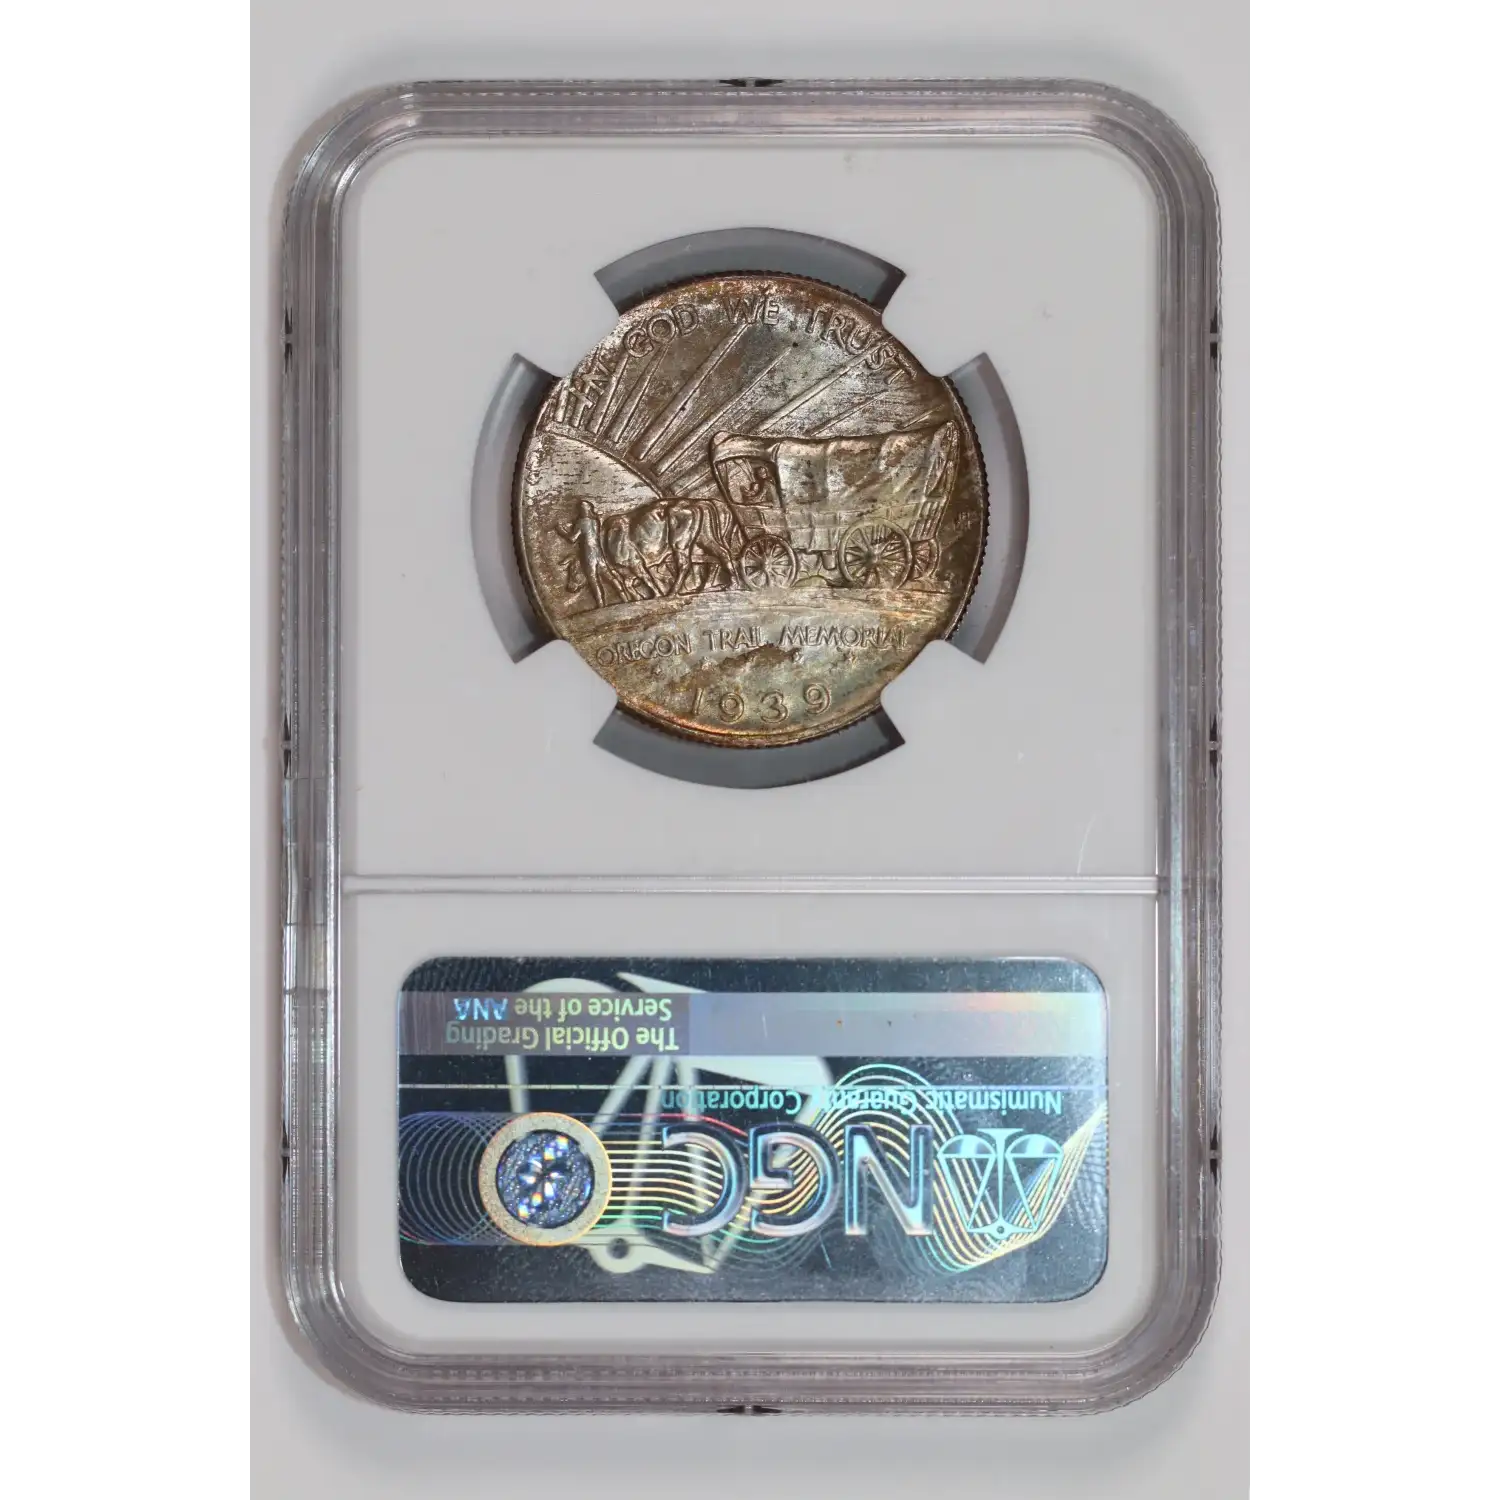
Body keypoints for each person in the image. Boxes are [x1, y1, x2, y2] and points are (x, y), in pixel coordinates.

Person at [556, 500, 626, 609]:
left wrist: (561, 530)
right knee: (610, 577)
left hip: (588, 554)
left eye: (581, 508)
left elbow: (572, 539)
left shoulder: (581, 522)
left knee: (593, 580)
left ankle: (601, 605)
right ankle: (625, 598)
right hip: (598, 552)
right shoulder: (595, 521)